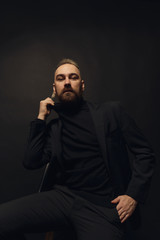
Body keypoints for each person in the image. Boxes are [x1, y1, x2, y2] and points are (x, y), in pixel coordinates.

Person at [0, 58, 155, 240]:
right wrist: (41, 118)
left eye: (73, 77)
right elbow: (31, 161)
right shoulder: (55, 127)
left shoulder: (111, 112)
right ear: (54, 88)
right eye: (61, 78)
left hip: (102, 207)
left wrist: (132, 195)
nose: (67, 82)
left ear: (82, 85)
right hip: (62, 198)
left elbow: (145, 153)